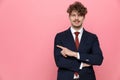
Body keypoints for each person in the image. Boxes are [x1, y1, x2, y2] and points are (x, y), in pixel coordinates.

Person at [54, 1, 103, 80]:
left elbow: (98, 59)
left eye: (80, 15)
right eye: (73, 15)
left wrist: (74, 54)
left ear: (84, 17)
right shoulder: (60, 37)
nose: (76, 18)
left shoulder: (92, 38)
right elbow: (59, 61)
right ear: (69, 17)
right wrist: (82, 64)